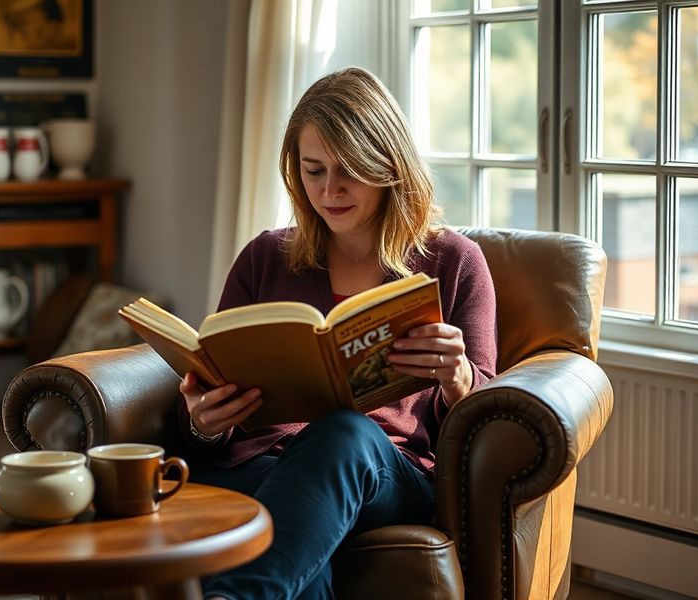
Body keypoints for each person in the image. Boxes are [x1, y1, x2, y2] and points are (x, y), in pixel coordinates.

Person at [177, 67, 497, 600]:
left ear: (388, 164)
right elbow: (210, 396)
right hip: (264, 465)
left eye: (349, 170)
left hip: (382, 471)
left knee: (343, 434)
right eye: (313, 170)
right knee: (300, 534)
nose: (329, 190)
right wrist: (204, 423)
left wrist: (458, 377)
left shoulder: (454, 261)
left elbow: (487, 411)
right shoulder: (265, 257)